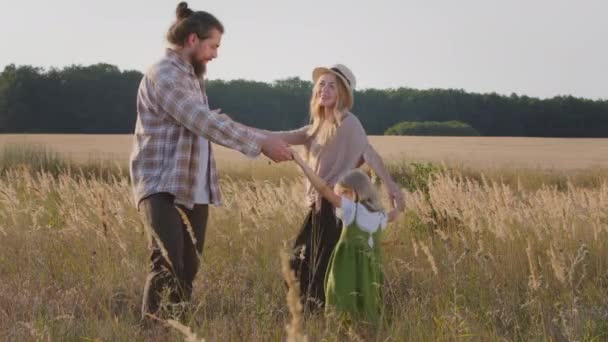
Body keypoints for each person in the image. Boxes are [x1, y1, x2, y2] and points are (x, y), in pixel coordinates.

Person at [129, 2, 291, 320]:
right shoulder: (164, 74)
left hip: (193, 187)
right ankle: (152, 332)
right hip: (162, 184)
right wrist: (259, 144)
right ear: (192, 39)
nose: (215, 54)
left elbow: (214, 120)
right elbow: (204, 121)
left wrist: (271, 137)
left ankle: (178, 329)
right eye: (213, 45)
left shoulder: (192, 77)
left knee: (188, 268)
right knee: (167, 262)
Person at [262, 64, 405, 312]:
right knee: (304, 265)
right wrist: (235, 129)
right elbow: (277, 135)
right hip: (319, 207)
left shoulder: (349, 123)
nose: (324, 89)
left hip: (335, 207)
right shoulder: (315, 127)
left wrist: (390, 185)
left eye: (332, 85)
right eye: (321, 84)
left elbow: (369, 153)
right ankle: (316, 314)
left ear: (342, 93)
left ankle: (320, 317)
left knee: (313, 266)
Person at [291, 150, 404, 324]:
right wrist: (399, 202)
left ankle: (341, 327)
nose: (341, 196)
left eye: (344, 192)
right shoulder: (379, 216)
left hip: (347, 265)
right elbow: (395, 214)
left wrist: (301, 162)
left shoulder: (352, 210)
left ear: (356, 192)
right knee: (366, 294)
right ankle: (367, 326)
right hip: (370, 266)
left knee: (339, 292)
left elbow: (322, 189)